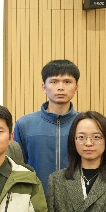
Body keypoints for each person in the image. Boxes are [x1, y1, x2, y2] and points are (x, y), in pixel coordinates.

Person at [14, 59, 82, 193]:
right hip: (36, 200)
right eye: (54, 81)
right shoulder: (25, 124)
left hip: (77, 200)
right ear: (44, 87)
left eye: (67, 82)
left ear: (76, 87)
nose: (60, 87)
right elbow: (17, 167)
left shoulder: (85, 124)